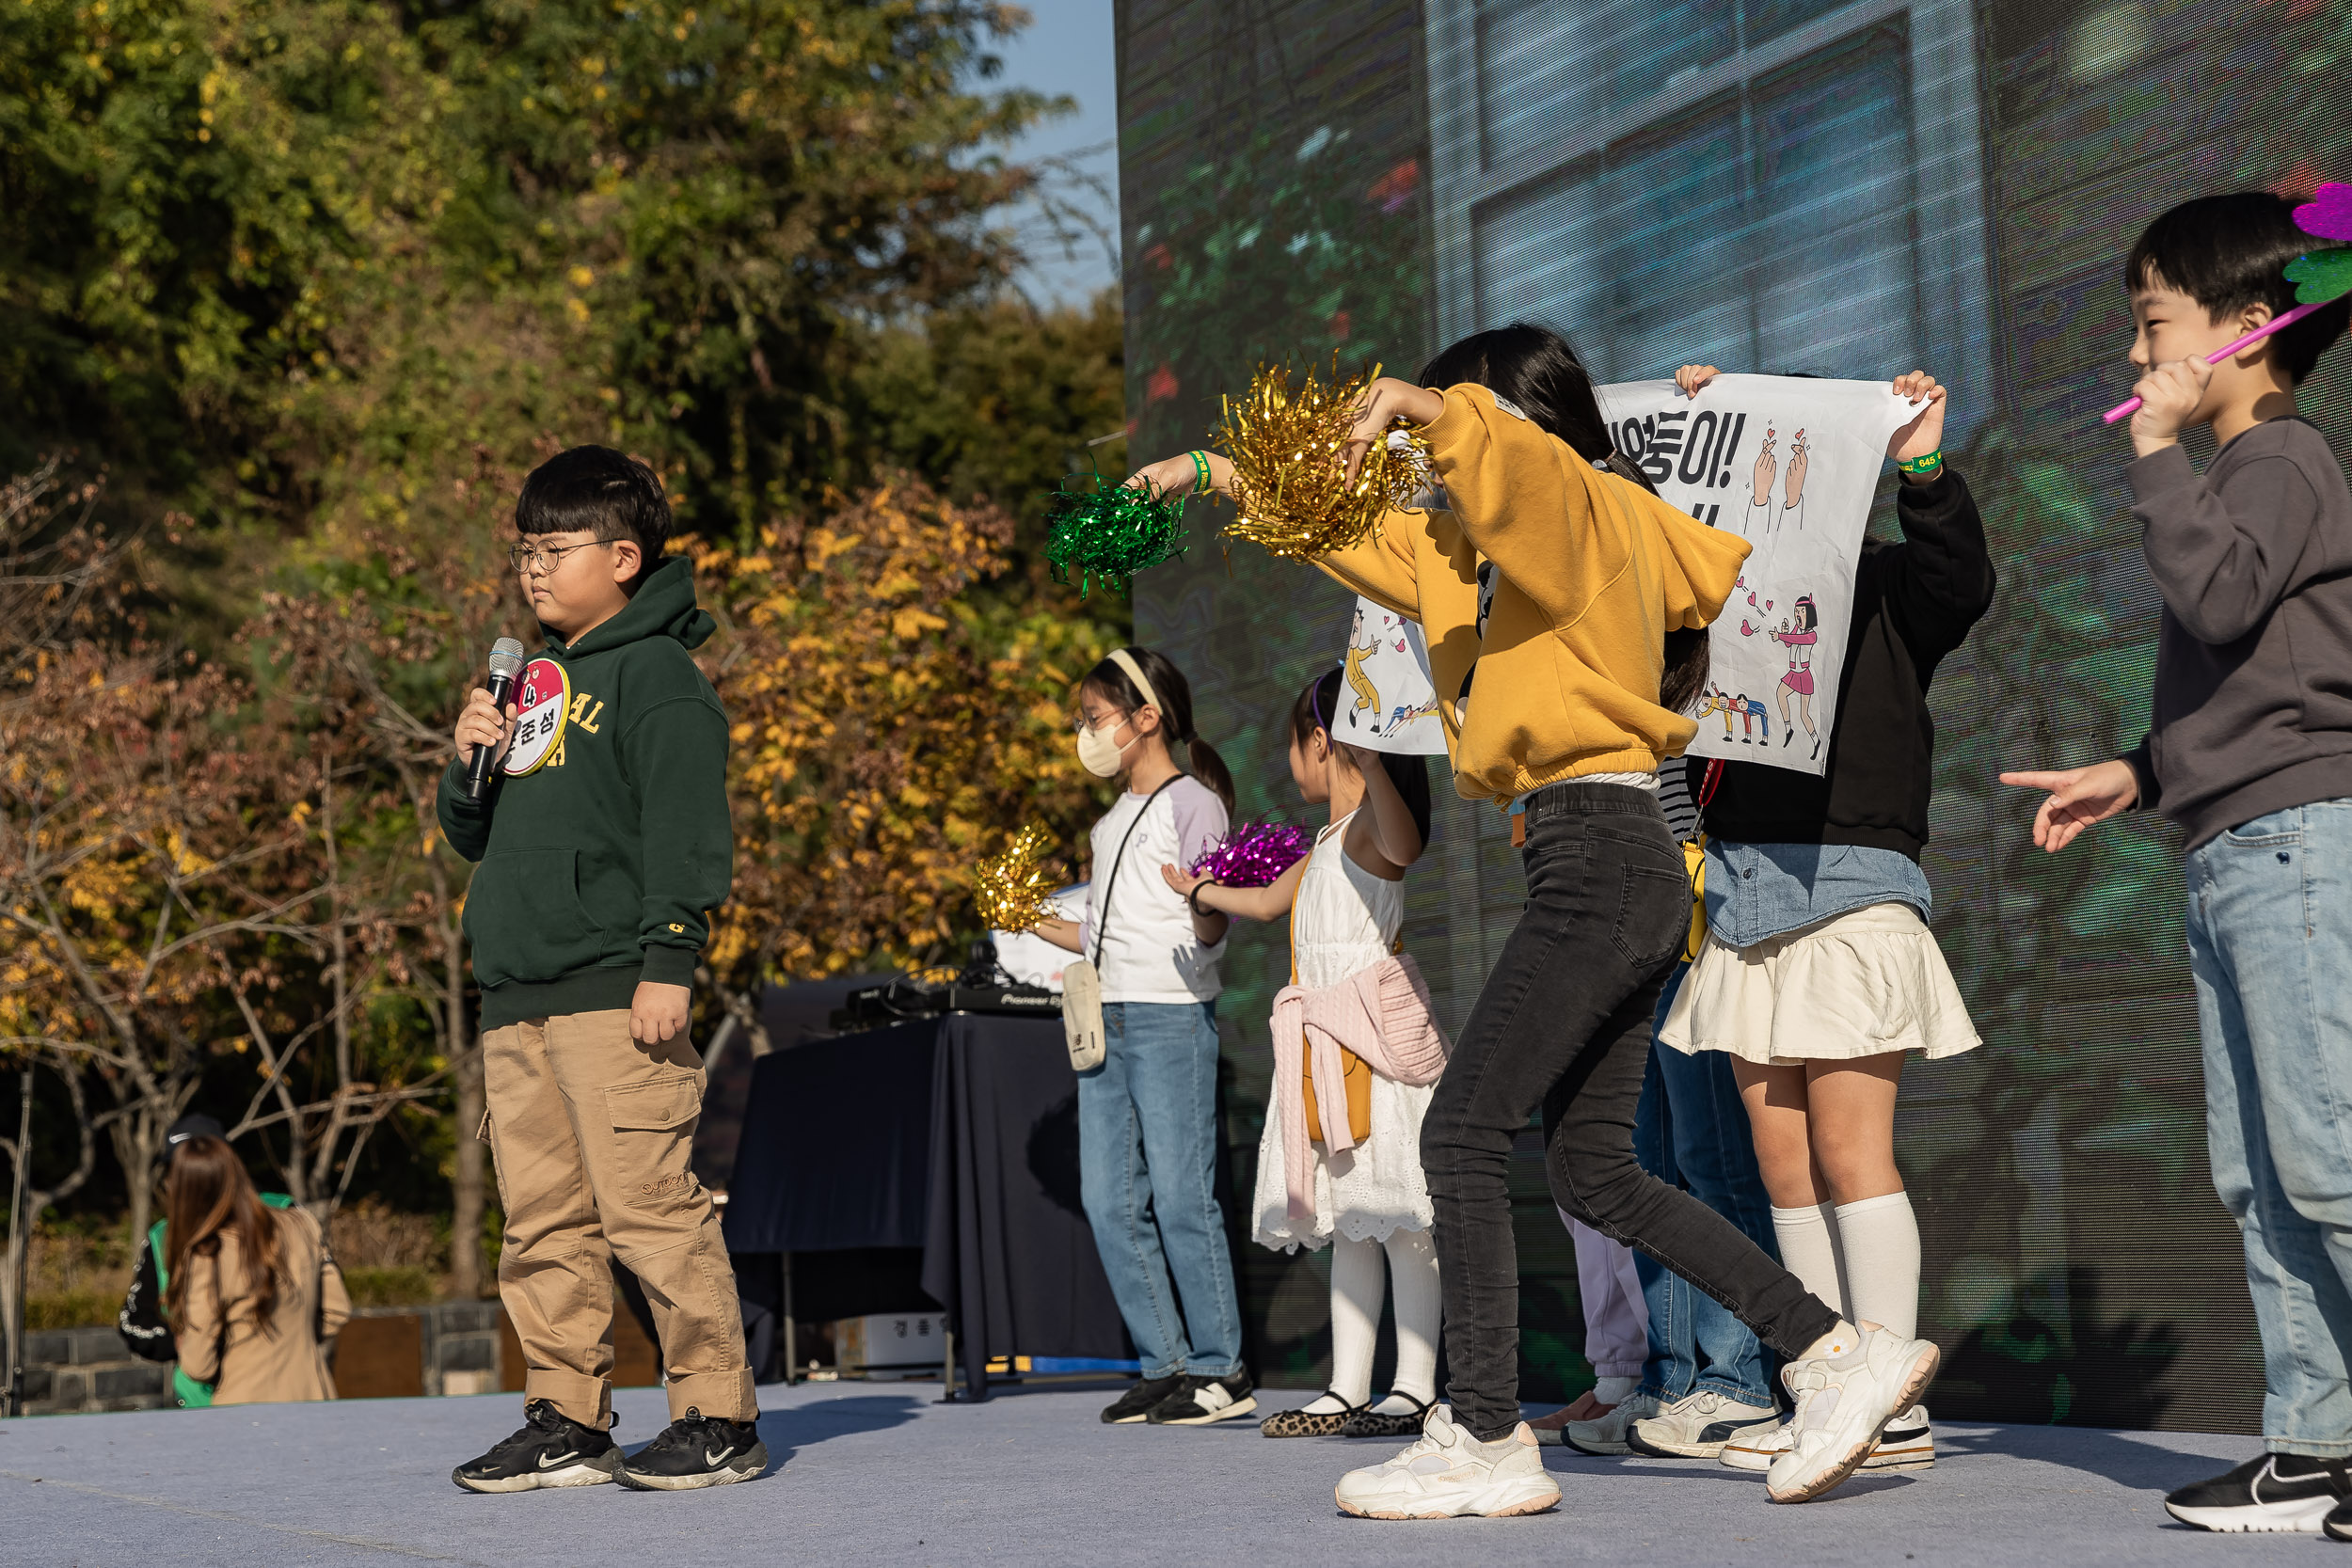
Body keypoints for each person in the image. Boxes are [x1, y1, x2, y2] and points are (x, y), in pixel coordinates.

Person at [1128, 323, 1940, 1516]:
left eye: (1461, 421)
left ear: (1515, 423)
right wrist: (1215, 475)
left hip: (1603, 854)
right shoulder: (1488, 559)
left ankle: (1487, 1432)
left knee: (1459, 1130)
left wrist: (1436, 405)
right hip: (1597, 857)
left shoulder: (1593, 505)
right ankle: (1835, 1351)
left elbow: (1533, 474)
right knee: (1593, 1164)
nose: (1431, 449)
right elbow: (1354, 536)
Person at [2002, 190, 2352, 1536]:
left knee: (2326, 1157)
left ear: (2249, 332)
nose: (2136, 358)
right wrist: (2138, 771)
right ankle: (2317, 1438)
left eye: (2155, 327)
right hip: (2233, 844)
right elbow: (2246, 663)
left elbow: (2216, 599)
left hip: (2298, 840)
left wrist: (2153, 454)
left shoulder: (2277, 459)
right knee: (2262, 1172)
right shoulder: (2236, 478)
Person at [1658, 363, 1993, 1477]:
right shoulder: (1720, 589)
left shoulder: (1892, 587)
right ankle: (1823, 1376)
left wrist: (1924, 462)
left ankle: (1889, 1402)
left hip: (1850, 883)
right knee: (1780, 1158)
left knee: (1852, 1151)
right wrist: (1694, 420)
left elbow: (1961, 579)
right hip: (1746, 886)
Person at [438, 445, 766, 1493]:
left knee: (649, 1210)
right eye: (524, 550)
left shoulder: (657, 674)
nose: (533, 569)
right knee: (540, 1222)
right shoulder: (533, 681)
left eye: (555, 547)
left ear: (624, 556)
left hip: (617, 988)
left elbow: (684, 829)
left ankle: (718, 1413)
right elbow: (469, 832)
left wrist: (670, 956)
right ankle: (568, 1417)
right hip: (518, 992)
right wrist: (466, 758)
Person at [1162, 667, 1443, 1441]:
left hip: (1372, 1049)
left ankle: (1414, 1384)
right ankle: (1348, 1384)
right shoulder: (1325, 840)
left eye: (1296, 742)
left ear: (1323, 741)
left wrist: (1379, 754)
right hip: (1322, 1051)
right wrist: (1199, 891)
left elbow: (1407, 843)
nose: (1293, 760)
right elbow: (1263, 901)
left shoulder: (1368, 831)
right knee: (1353, 1215)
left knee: (1401, 1217)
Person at [1032, 646, 1254, 1426]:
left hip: (1167, 1013)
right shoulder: (1108, 823)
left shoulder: (1193, 802)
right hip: (1108, 1018)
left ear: (1146, 717)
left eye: (1095, 719)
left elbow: (1211, 913)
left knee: (1185, 1196)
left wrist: (1205, 900)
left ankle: (1220, 1366)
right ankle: (1164, 1362)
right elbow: (1102, 928)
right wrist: (1030, 918)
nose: (1086, 734)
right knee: (1109, 1197)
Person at [1555, 764, 1787, 1460]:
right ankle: (1671, 1380)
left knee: (1713, 1157)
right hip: (1626, 924)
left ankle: (1739, 1381)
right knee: (1643, 1166)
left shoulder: (1708, 670)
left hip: (1700, 909)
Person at [119, 1114, 350, 1408]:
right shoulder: (300, 1220)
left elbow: (198, 1365)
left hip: (236, 1410)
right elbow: (337, 1309)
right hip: (311, 1399)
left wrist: (192, 1342)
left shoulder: (207, 1252)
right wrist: (291, 1340)